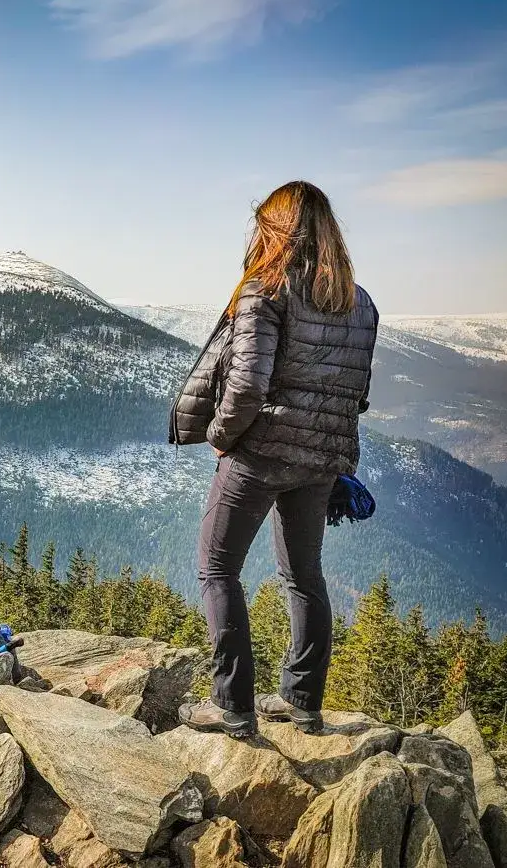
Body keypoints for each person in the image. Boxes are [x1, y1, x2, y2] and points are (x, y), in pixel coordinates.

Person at [176, 180, 378, 738]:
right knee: (304, 576)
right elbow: (351, 389)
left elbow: (245, 385)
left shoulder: (264, 291)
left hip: (261, 453)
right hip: (322, 460)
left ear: (275, 230)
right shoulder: (359, 303)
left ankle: (232, 707)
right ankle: (302, 700)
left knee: (218, 568)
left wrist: (221, 435)